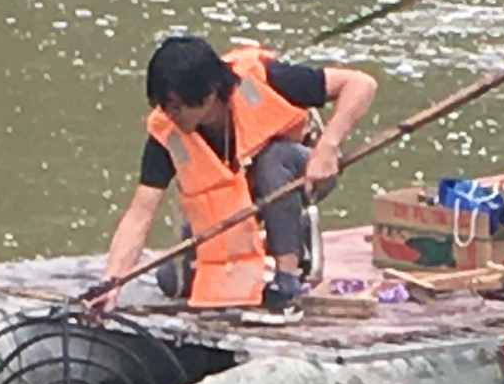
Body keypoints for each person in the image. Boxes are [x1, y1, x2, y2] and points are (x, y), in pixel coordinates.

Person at [98, 32, 378, 310]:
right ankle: (280, 237)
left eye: (176, 107)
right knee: (173, 281)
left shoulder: (261, 81)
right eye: (164, 106)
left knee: (273, 160)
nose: (170, 115)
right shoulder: (168, 133)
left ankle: (287, 275)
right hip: (236, 204)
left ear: (208, 95)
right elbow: (141, 212)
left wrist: (327, 147)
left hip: (300, 175)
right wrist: (112, 282)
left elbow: (361, 84)